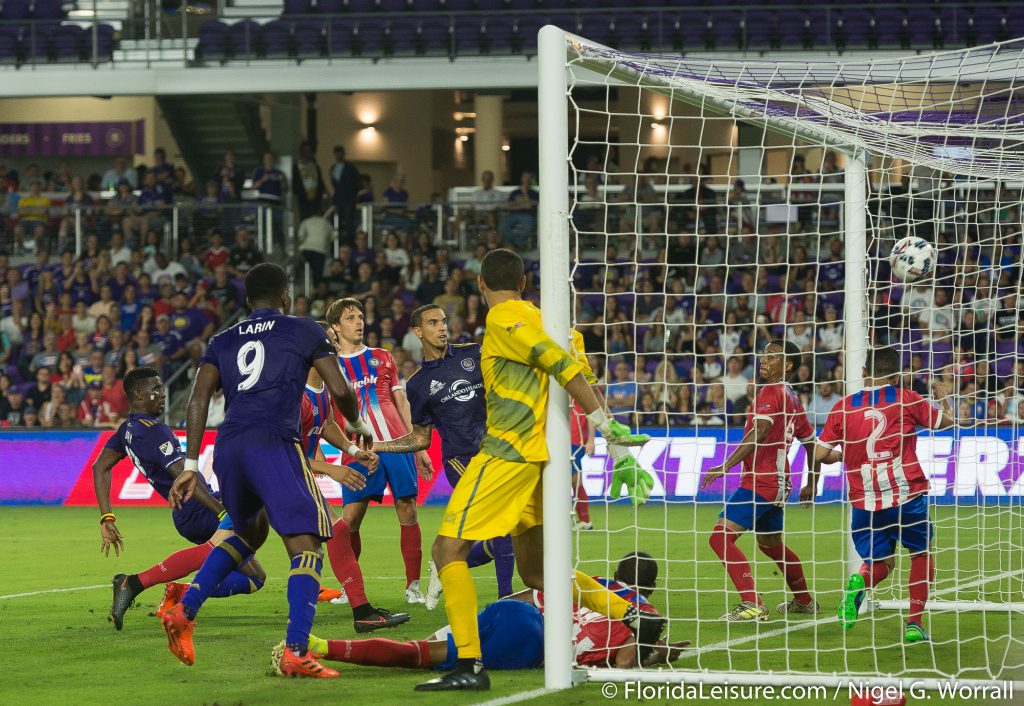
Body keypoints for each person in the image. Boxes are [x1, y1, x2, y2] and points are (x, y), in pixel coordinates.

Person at [416, 249, 660, 692]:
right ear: (525, 283)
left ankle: (469, 665)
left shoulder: (503, 317)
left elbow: (562, 367)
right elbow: (578, 364)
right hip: (541, 463)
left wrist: (609, 434)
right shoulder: (550, 319)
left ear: (480, 285)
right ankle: (630, 614)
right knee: (539, 575)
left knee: (446, 551)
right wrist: (614, 440)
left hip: (506, 453)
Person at [162, 262, 372, 679]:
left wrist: (190, 463)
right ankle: (296, 649)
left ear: (245, 301)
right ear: (285, 297)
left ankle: (185, 610)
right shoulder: (304, 329)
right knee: (307, 542)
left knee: (250, 532)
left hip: (228, 446)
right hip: (273, 441)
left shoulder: (222, 339)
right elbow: (341, 389)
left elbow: (198, 397)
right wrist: (357, 423)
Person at [296, 552, 689, 675]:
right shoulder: (641, 614)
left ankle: (313, 644)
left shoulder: (595, 586)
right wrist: (658, 653)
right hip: (533, 643)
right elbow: (623, 663)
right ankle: (319, 647)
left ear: (617, 576)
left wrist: (484, 613)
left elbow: (532, 591)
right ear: (651, 590)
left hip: (510, 612)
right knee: (420, 656)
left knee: (434, 645)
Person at [93, 367, 267, 631]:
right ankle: (136, 583)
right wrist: (220, 511)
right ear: (138, 393)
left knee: (255, 577)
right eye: (156, 389)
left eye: (161, 388)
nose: (162, 394)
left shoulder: (128, 429)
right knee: (227, 540)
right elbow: (186, 478)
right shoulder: (154, 432)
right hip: (197, 507)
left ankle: (179, 590)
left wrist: (107, 517)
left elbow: (99, 467)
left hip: (189, 510)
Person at [374, 304, 515, 606]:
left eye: (444, 321)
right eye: (433, 322)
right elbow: (421, 437)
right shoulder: (418, 384)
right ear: (417, 331)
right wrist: (380, 446)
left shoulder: (473, 353)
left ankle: (444, 565)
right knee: (501, 524)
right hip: (460, 461)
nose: (442, 327)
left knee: (509, 531)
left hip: (497, 453)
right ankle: (507, 599)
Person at [811, 347, 955, 643]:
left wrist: (843, 455)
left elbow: (819, 452)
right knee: (921, 554)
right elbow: (947, 422)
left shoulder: (843, 407)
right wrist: (944, 399)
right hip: (906, 495)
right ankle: (914, 624)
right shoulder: (906, 398)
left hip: (864, 501)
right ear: (897, 375)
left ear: (864, 372)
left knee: (882, 563)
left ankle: (860, 582)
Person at [299, 321, 411, 633]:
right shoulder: (296, 395)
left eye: (335, 341)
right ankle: (358, 612)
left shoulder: (321, 389)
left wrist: (352, 449)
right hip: (273, 479)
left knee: (238, 555)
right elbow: (281, 454)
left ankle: (182, 598)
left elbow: (328, 424)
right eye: (329, 342)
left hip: (291, 479)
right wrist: (330, 468)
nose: (335, 347)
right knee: (234, 550)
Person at [700, 340, 822, 622]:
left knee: (719, 538)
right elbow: (812, 445)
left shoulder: (771, 391)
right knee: (770, 544)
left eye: (771, 355)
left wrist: (725, 465)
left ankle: (752, 603)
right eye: (764, 354)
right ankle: (803, 600)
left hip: (763, 480)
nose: (764, 359)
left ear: (787, 365)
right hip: (780, 482)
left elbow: (762, 431)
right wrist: (812, 483)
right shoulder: (792, 397)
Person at [325, 297, 428, 605]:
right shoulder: (328, 366)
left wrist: (419, 445)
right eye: (350, 318)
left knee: (407, 508)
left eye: (360, 316)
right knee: (350, 519)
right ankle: (349, 586)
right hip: (357, 450)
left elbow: (401, 401)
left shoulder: (382, 356)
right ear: (335, 327)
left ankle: (413, 587)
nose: (359, 322)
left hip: (397, 444)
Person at [330, 145, 360, 244]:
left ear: (343, 154)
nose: (338, 155)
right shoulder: (333, 168)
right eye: (336, 153)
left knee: (349, 222)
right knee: (337, 221)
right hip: (338, 199)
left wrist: (352, 196)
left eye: (340, 153)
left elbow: (356, 183)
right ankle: (339, 241)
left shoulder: (351, 168)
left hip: (348, 199)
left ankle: (349, 241)